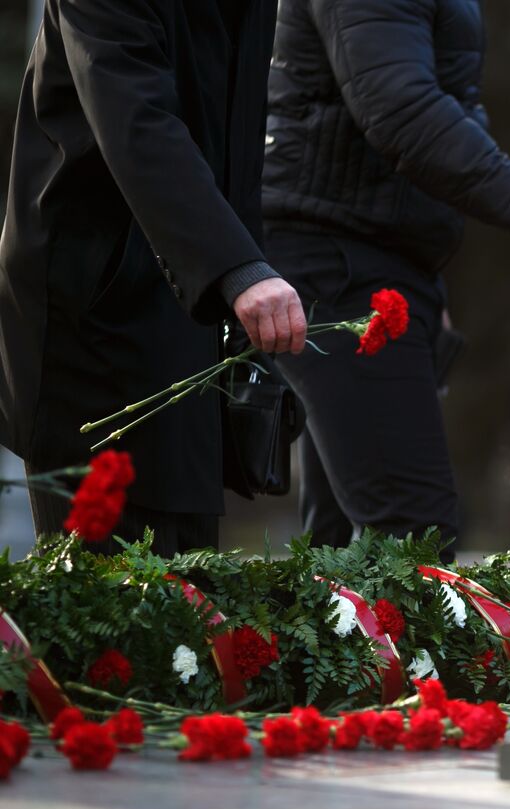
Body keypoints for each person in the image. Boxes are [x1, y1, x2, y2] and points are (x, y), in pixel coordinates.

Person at [260, 0, 510, 556]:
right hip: (338, 262)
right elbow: (404, 111)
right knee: (413, 536)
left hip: (367, 259)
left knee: (341, 545)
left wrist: (419, 274)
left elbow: (433, 103)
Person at [0, 0, 306, 555]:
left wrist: (239, 280)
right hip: (94, 312)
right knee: (108, 601)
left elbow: (237, 151)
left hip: (185, 299)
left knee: (185, 590)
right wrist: (237, 269)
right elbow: (136, 119)